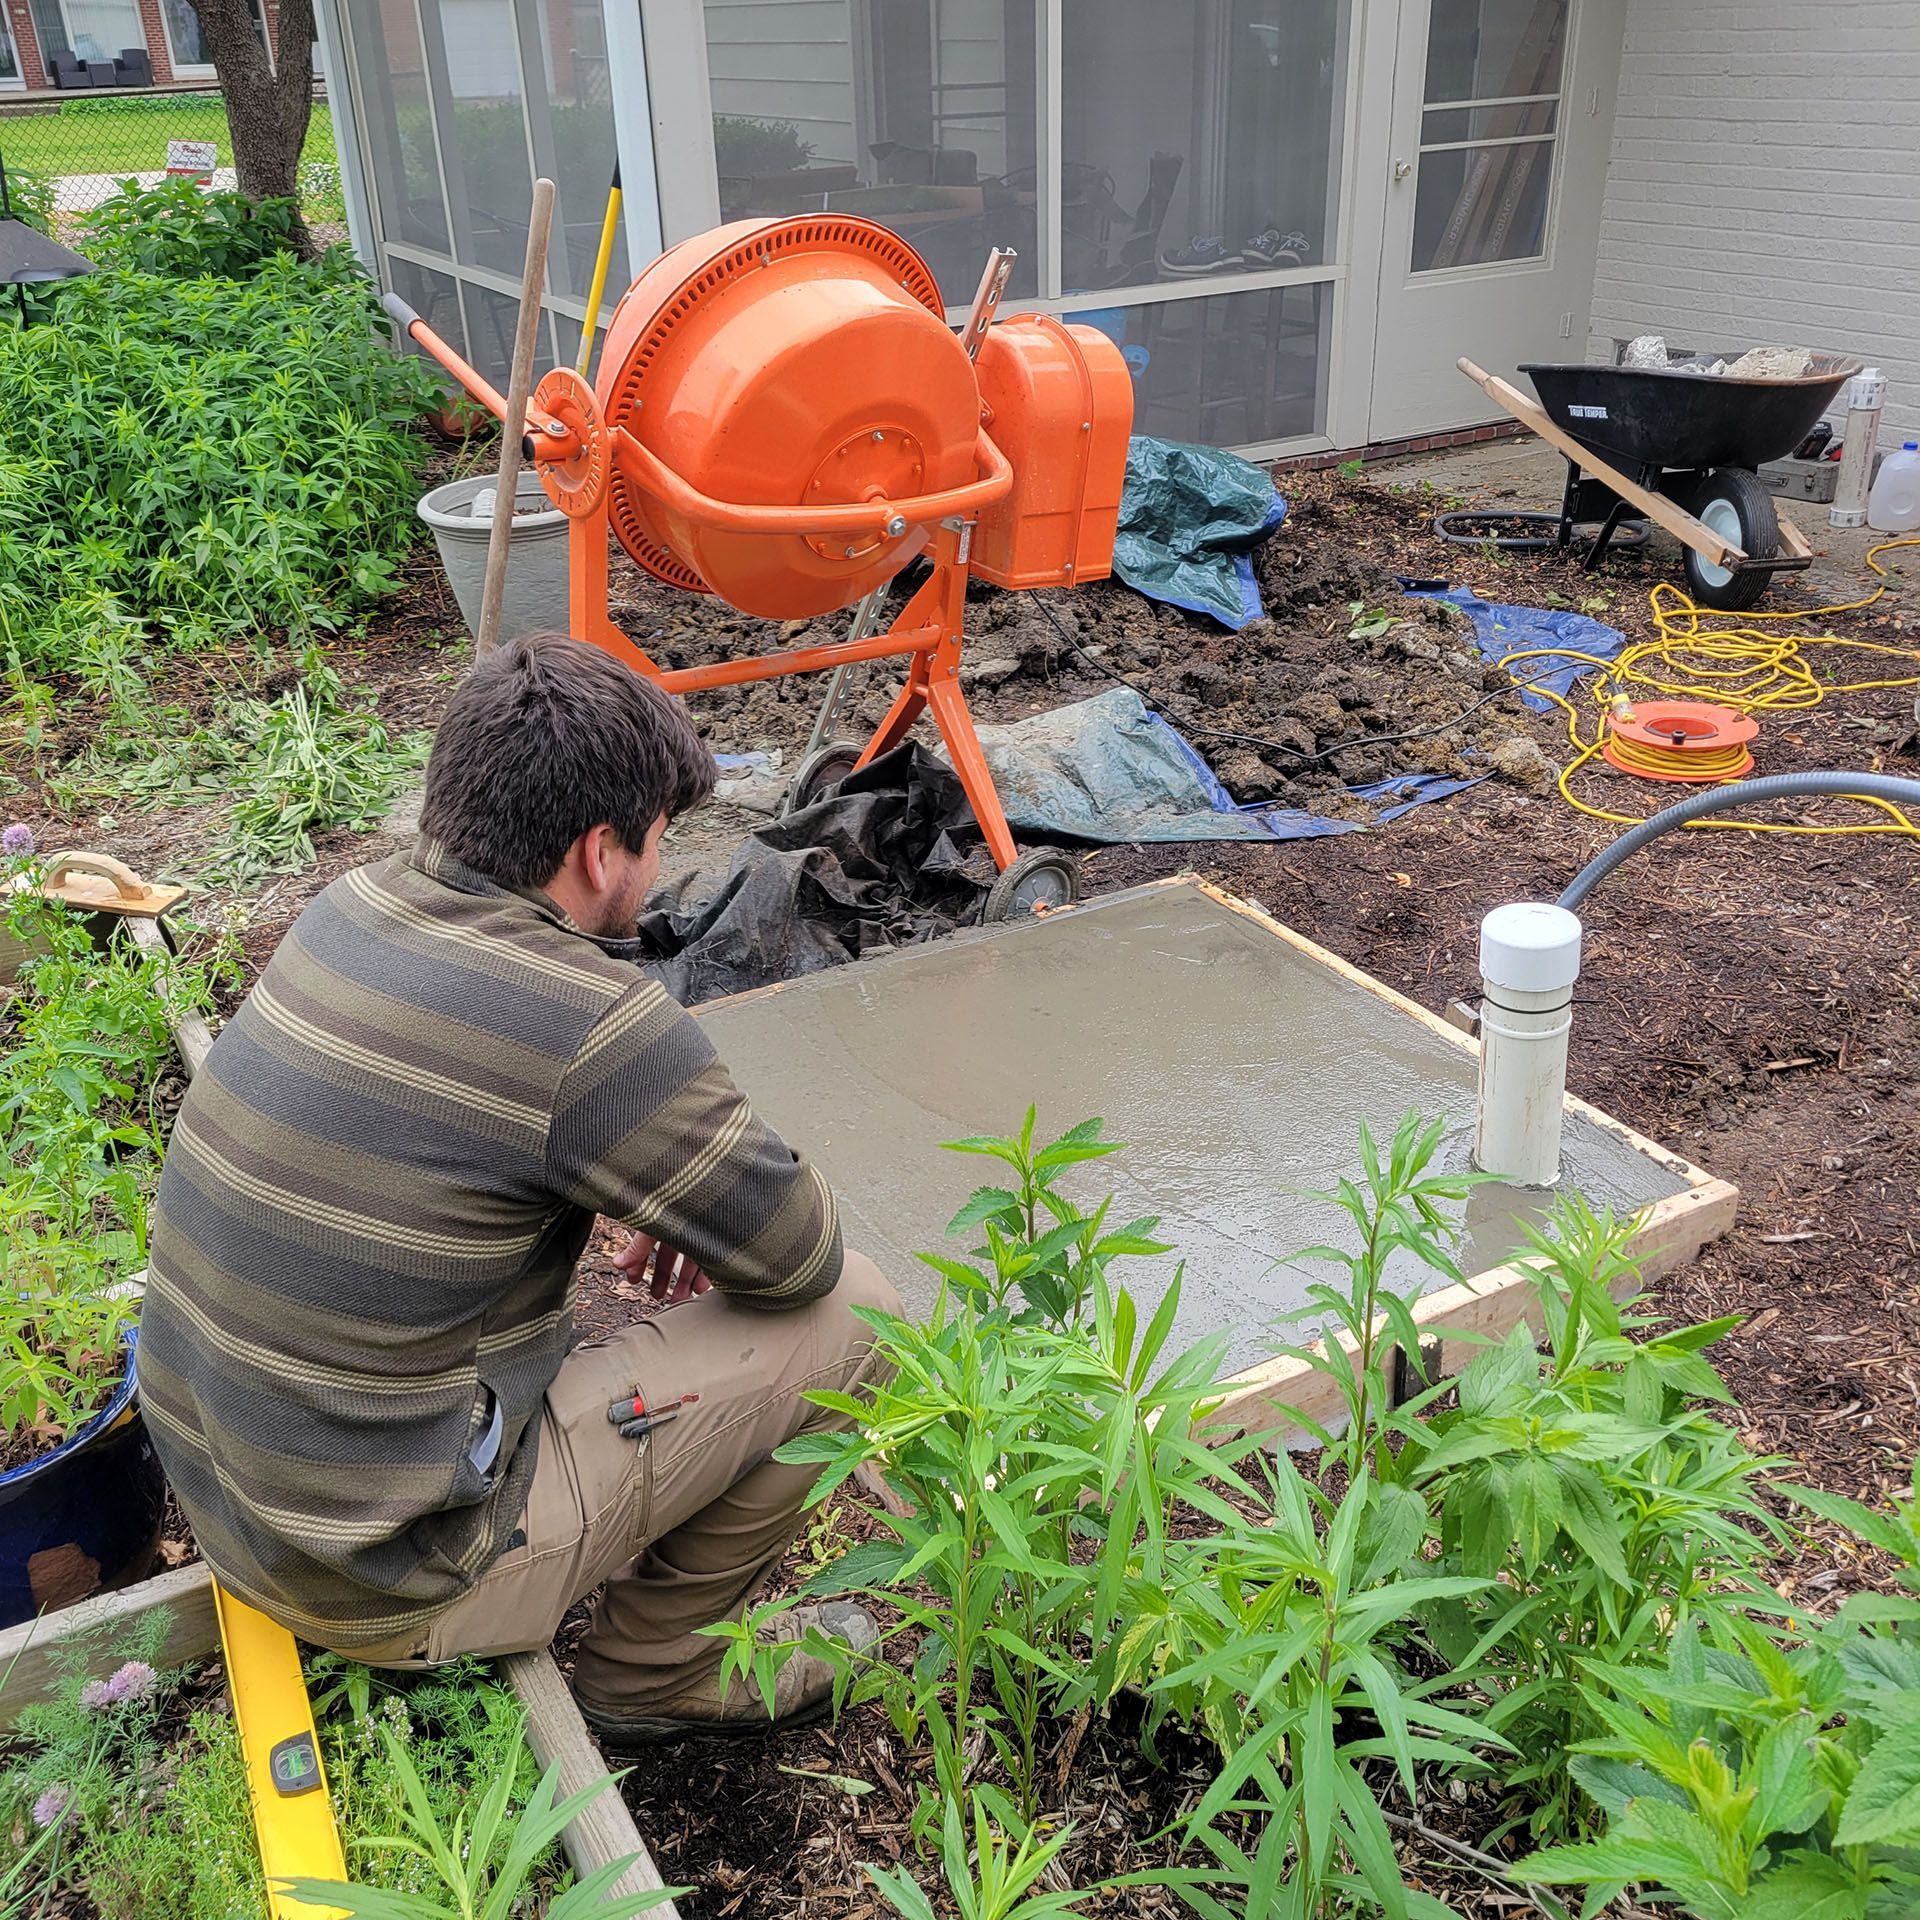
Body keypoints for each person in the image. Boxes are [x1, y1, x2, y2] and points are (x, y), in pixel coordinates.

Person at [139, 634, 900, 1744]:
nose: (656, 873)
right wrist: (668, 1167)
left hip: (227, 1493)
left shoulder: (346, 908)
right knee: (858, 1313)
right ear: (600, 852)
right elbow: (802, 1256)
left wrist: (648, 1182)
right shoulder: (592, 1021)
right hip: (375, 1573)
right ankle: (653, 1676)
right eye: (657, 845)